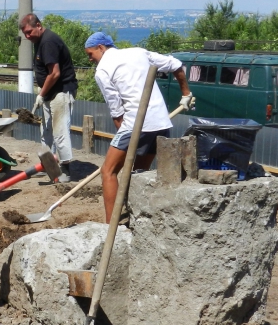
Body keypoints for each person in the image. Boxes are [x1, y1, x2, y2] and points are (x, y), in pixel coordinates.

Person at [83, 32, 193, 223]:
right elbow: (175, 64)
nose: (90, 59)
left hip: (136, 124)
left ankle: (111, 224)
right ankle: (137, 219)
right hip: (161, 123)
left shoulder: (103, 70)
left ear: (101, 47)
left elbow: (116, 110)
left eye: (90, 54)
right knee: (139, 173)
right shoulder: (139, 52)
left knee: (108, 171)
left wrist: (124, 140)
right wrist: (186, 93)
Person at [19, 13, 77, 183]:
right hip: (49, 92)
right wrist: (42, 89)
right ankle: (50, 166)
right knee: (45, 131)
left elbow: (55, 73)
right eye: (25, 34)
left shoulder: (48, 42)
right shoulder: (39, 42)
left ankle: (65, 170)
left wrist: (41, 93)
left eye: (29, 32)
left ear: (38, 25)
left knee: (60, 131)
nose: (27, 36)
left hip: (61, 92)